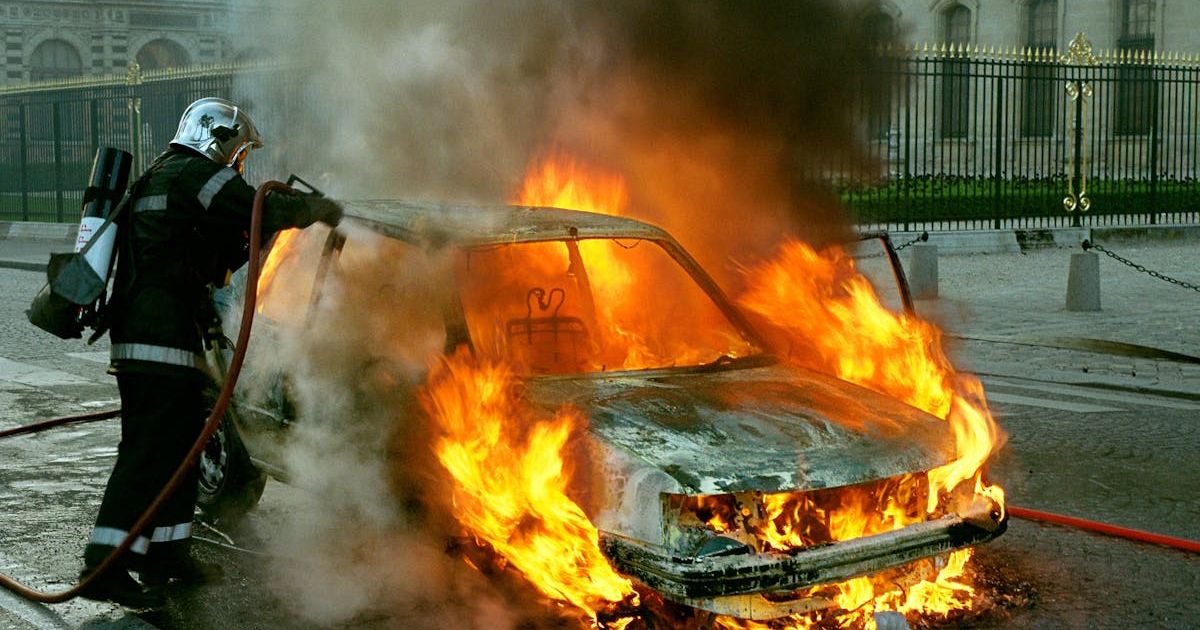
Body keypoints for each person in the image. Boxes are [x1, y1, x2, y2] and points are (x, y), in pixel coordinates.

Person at [78, 97, 342, 607]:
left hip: (168, 334)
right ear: (213, 137)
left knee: (182, 447)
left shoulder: (166, 175)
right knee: (149, 451)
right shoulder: (194, 174)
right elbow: (257, 206)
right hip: (158, 336)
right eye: (235, 149)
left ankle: (167, 557)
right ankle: (103, 564)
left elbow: (219, 244)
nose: (237, 161)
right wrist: (316, 209)